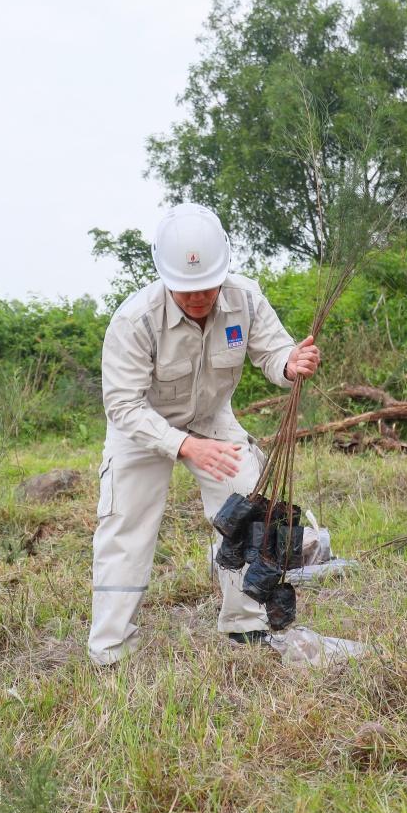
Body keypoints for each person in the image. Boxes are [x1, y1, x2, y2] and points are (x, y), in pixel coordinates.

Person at [89, 203, 322, 666]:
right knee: (125, 528)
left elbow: (274, 351)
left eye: (207, 288)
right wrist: (183, 446)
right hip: (143, 426)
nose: (198, 299)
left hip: (212, 419)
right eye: (186, 290)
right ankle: (110, 649)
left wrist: (289, 364)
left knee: (248, 506)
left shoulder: (246, 299)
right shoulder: (134, 320)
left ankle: (246, 623)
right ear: (164, 277)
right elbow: (122, 405)